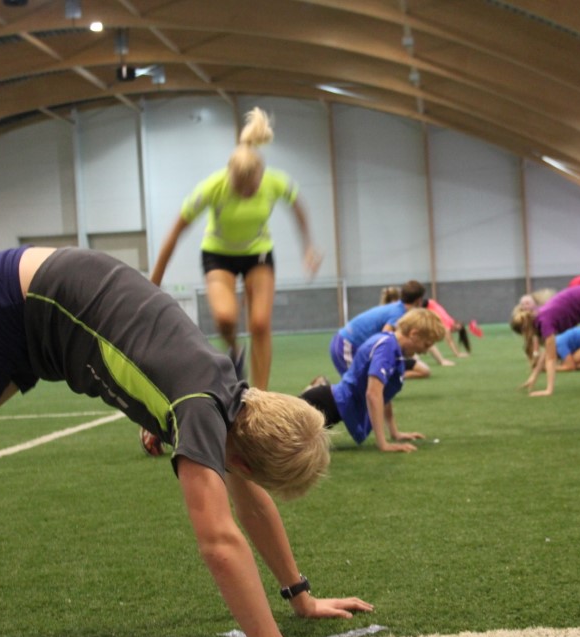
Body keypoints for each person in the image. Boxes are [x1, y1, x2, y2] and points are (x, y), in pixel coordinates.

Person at [0, 246, 370, 637]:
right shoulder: (201, 407)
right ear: (243, 462)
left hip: (39, 322)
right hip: (6, 307)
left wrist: (300, 595)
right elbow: (220, 541)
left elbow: (252, 502)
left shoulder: (234, 397)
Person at [149, 107, 322, 391]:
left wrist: (308, 246)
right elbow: (174, 234)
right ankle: (235, 349)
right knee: (225, 319)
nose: (246, 195)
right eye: (241, 191)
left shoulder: (275, 181)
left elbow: (298, 207)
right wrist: (153, 283)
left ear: (261, 176)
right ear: (230, 179)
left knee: (260, 323)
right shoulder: (211, 187)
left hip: (258, 254)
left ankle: (261, 396)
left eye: (251, 190)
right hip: (218, 255)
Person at [301, 309, 445, 452]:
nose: (425, 351)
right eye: (426, 344)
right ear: (414, 334)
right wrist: (383, 444)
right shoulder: (387, 348)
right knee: (293, 446)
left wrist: (394, 433)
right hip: (323, 404)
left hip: (331, 406)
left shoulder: (392, 345)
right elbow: (373, 394)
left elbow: (384, 395)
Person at [512, 281, 580, 397]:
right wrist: (533, 377)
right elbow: (547, 351)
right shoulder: (541, 317)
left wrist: (549, 389)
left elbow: (551, 358)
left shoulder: (545, 321)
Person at [329, 281, 425, 376]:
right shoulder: (398, 313)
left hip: (346, 343)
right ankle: (321, 385)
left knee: (363, 382)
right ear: (419, 301)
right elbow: (386, 336)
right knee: (354, 383)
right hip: (346, 345)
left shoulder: (397, 307)